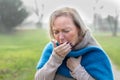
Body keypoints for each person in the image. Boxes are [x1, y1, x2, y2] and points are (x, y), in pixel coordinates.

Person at [35, 7, 114, 80]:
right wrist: (55, 59)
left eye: (66, 31)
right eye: (56, 32)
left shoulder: (94, 53)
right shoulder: (51, 49)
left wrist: (79, 72)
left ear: (79, 29)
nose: (61, 37)